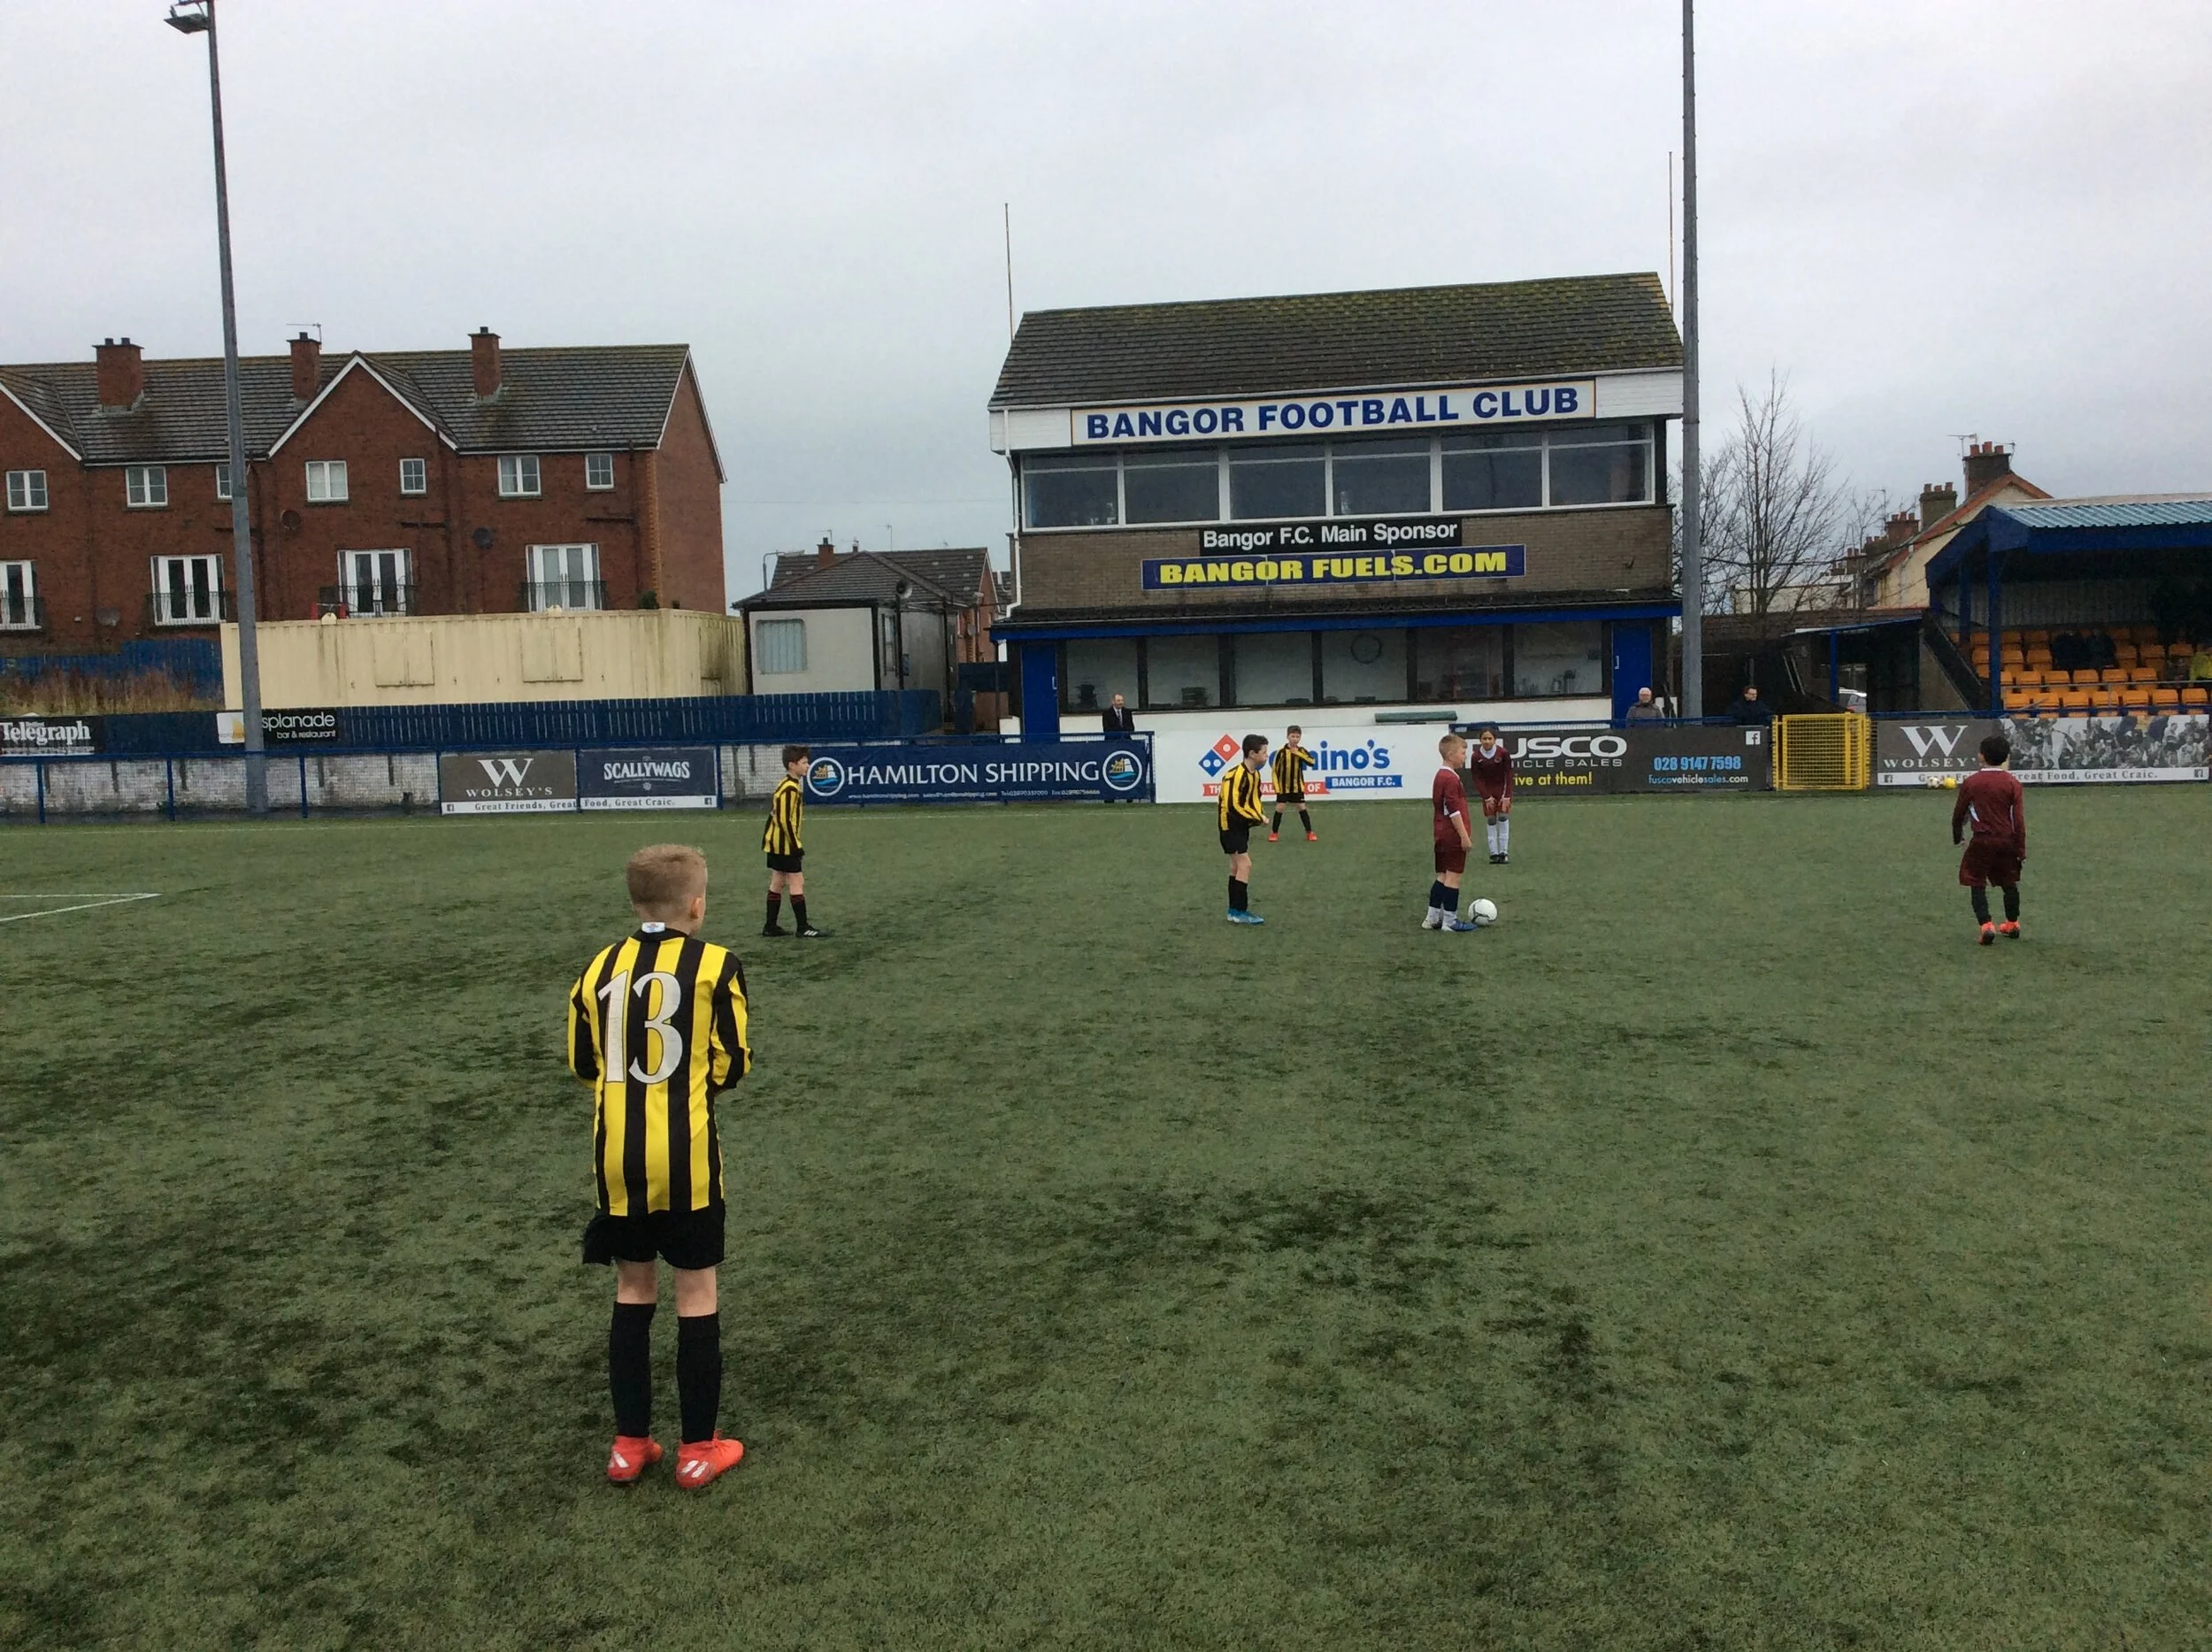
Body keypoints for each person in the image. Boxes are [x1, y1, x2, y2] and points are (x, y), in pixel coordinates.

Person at [566, 844, 752, 1488]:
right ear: (696, 905)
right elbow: (733, 1063)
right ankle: (697, 1448)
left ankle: (629, 1444)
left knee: (632, 1289)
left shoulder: (597, 968)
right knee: (696, 1292)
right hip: (687, 1160)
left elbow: (583, 1062)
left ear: (634, 902)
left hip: (616, 1160)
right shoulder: (717, 965)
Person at [1952, 733, 2026, 944]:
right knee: (2009, 882)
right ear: (2006, 757)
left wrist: (1958, 836)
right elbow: (2018, 819)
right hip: (2007, 840)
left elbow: (1959, 813)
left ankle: (1986, 925)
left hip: (1982, 840)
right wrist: (2020, 848)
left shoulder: (1972, 782)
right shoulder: (2013, 783)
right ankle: (2012, 923)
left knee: (1976, 880)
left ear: (1981, 756)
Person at [761, 746, 824, 938]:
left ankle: (770, 926)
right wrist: (796, 846)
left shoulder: (786, 784)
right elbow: (784, 820)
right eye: (804, 762)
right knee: (797, 881)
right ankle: (803, 927)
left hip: (775, 845)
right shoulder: (790, 789)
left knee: (778, 882)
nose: (808, 766)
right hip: (785, 846)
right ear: (792, 765)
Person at [1425, 734, 1479, 932]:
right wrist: (1464, 836)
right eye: (1462, 753)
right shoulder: (1450, 779)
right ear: (1450, 755)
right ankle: (1450, 921)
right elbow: (1453, 810)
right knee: (1453, 876)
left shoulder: (1440, 776)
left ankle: (1432, 918)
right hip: (1452, 835)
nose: (1465, 757)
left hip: (1440, 833)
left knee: (1442, 875)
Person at [1218, 734, 1268, 925]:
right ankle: (1240, 911)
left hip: (1241, 825)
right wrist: (1257, 817)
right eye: (1264, 752)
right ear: (1252, 754)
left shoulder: (1255, 775)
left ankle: (1233, 911)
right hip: (1229, 825)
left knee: (1236, 866)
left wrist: (1259, 814)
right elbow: (1233, 806)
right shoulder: (1235, 775)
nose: (1266, 756)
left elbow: (1254, 800)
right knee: (1245, 864)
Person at [1468, 725, 1514, 864]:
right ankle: (1494, 853)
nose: (1487, 741)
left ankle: (1504, 852)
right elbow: (1477, 779)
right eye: (1484, 739)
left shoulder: (1503, 753)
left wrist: (1507, 796)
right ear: (1480, 740)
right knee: (1491, 820)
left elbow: (1509, 775)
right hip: (1488, 793)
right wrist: (1486, 796)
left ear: (1495, 740)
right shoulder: (1476, 757)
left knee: (1503, 818)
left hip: (1502, 791)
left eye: (1490, 738)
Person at [1268, 725, 1317, 841]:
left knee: (1302, 808)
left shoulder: (1302, 751)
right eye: (1292, 736)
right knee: (1280, 808)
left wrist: (1297, 754)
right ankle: (1274, 833)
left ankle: (1309, 832)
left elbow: (1312, 762)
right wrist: (1276, 786)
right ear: (1288, 737)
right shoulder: (1281, 752)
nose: (1295, 739)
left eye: (1297, 737)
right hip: (1283, 787)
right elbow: (1274, 770)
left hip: (1297, 787)